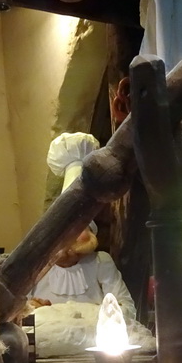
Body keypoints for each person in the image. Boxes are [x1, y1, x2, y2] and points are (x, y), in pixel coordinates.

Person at [29, 132, 136, 320]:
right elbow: (18, 310)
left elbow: (126, 308)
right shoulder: (35, 266)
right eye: (64, 231)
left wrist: (81, 314)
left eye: (79, 230)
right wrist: (32, 309)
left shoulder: (100, 262)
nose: (70, 238)